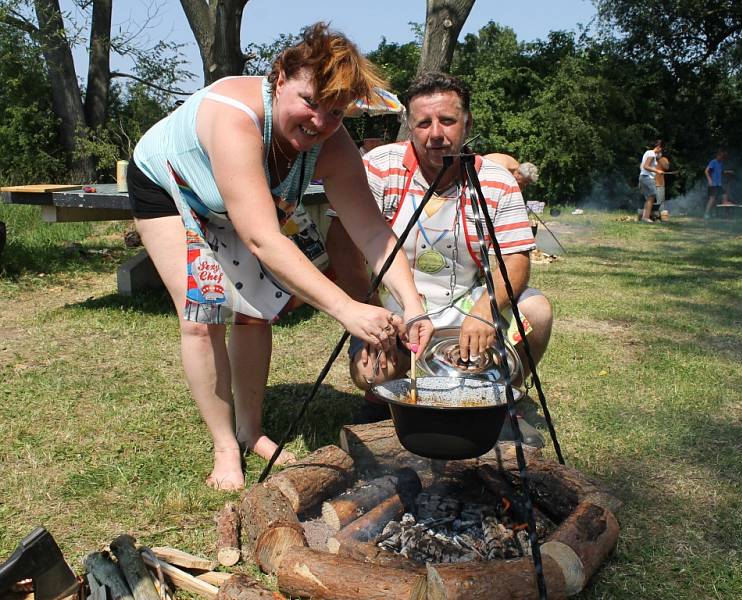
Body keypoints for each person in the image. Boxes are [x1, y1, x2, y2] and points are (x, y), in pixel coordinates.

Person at [128, 23, 432, 490]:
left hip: (244, 201)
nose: (319, 123)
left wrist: (411, 308)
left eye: (335, 112)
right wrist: (346, 308)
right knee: (200, 313)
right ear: (279, 78)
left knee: (254, 315)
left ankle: (251, 433)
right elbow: (263, 240)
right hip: (172, 187)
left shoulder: (333, 145)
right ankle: (225, 445)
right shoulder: (236, 118)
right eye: (310, 103)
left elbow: (372, 231)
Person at [326, 72, 553, 444]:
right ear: (410, 126)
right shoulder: (380, 166)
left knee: (537, 311)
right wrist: (366, 309)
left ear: (467, 123)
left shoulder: (497, 180)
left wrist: (485, 310)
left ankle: (499, 400)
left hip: (467, 303)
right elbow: (342, 240)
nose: (435, 133)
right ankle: (380, 403)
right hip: (392, 306)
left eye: (447, 120)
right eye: (423, 122)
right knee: (373, 372)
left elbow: (516, 260)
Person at [638, 140, 665, 223]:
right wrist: (657, 171)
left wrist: (654, 171)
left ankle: (644, 217)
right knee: (652, 196)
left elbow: (642, 166)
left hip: (643, 177)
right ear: (658, 147)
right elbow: (646, 166)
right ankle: (645, 218)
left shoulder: (647, 152)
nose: (661, 151)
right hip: (647, 178)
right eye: (661, 149)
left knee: (649, 197)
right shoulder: (652, 154)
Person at [704, 149, 735, 219]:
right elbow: (706, 171)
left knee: (724, 196)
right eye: (721, 157)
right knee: (712, 199)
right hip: (713, 184)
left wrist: (727, 172)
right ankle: (706, 214)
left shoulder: (720, 163)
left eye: (723, 157)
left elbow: (720, 172)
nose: (722, 159)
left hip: (718, 184)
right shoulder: (713, 162)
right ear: (718, 156)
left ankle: (727, 215)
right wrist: (709, 180)